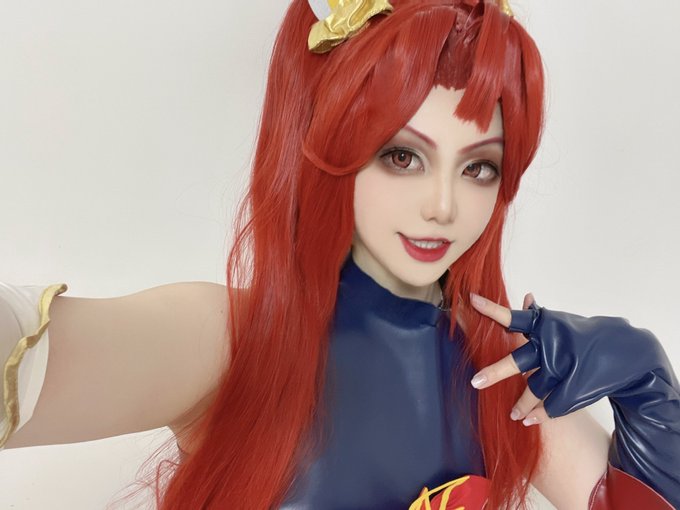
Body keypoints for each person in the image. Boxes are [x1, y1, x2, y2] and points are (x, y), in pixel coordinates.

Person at [1, 0, 679, 509]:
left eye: (479, 167)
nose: (443, 206)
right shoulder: (236, 339)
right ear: (326, 145)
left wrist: (650, 392)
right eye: (402, 156)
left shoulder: (498, 374)